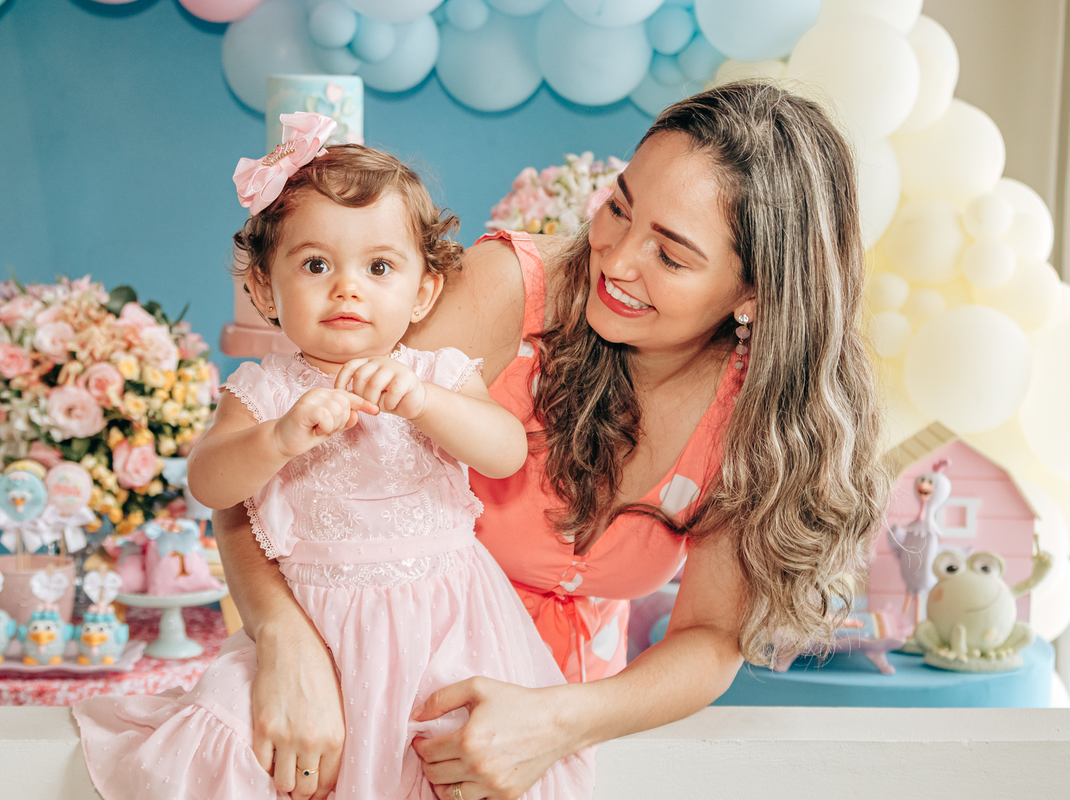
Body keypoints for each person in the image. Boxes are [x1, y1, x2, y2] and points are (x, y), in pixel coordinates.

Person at [212, 82, 892, 800]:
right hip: (378, 689)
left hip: (561, 727)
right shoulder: (508, 289)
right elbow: (266, 478)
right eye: (620, 207)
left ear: (754, 293)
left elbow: (711, 639)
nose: (617, 259)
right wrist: (284, 636)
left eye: (671, 255)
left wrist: (555, 722)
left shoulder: (754, 415)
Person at [71, 113, 595, 800]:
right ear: (264, 289)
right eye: (316, 264)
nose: (348, 287)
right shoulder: (265, 388)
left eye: (379, 267)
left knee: (457, 758)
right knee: (240, 742)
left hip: (444, 628)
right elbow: (209, 482)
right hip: (315, 624)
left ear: (423, 292)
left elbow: (502, 454)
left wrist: (423, 404)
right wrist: (279, 438)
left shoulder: (434, 371)